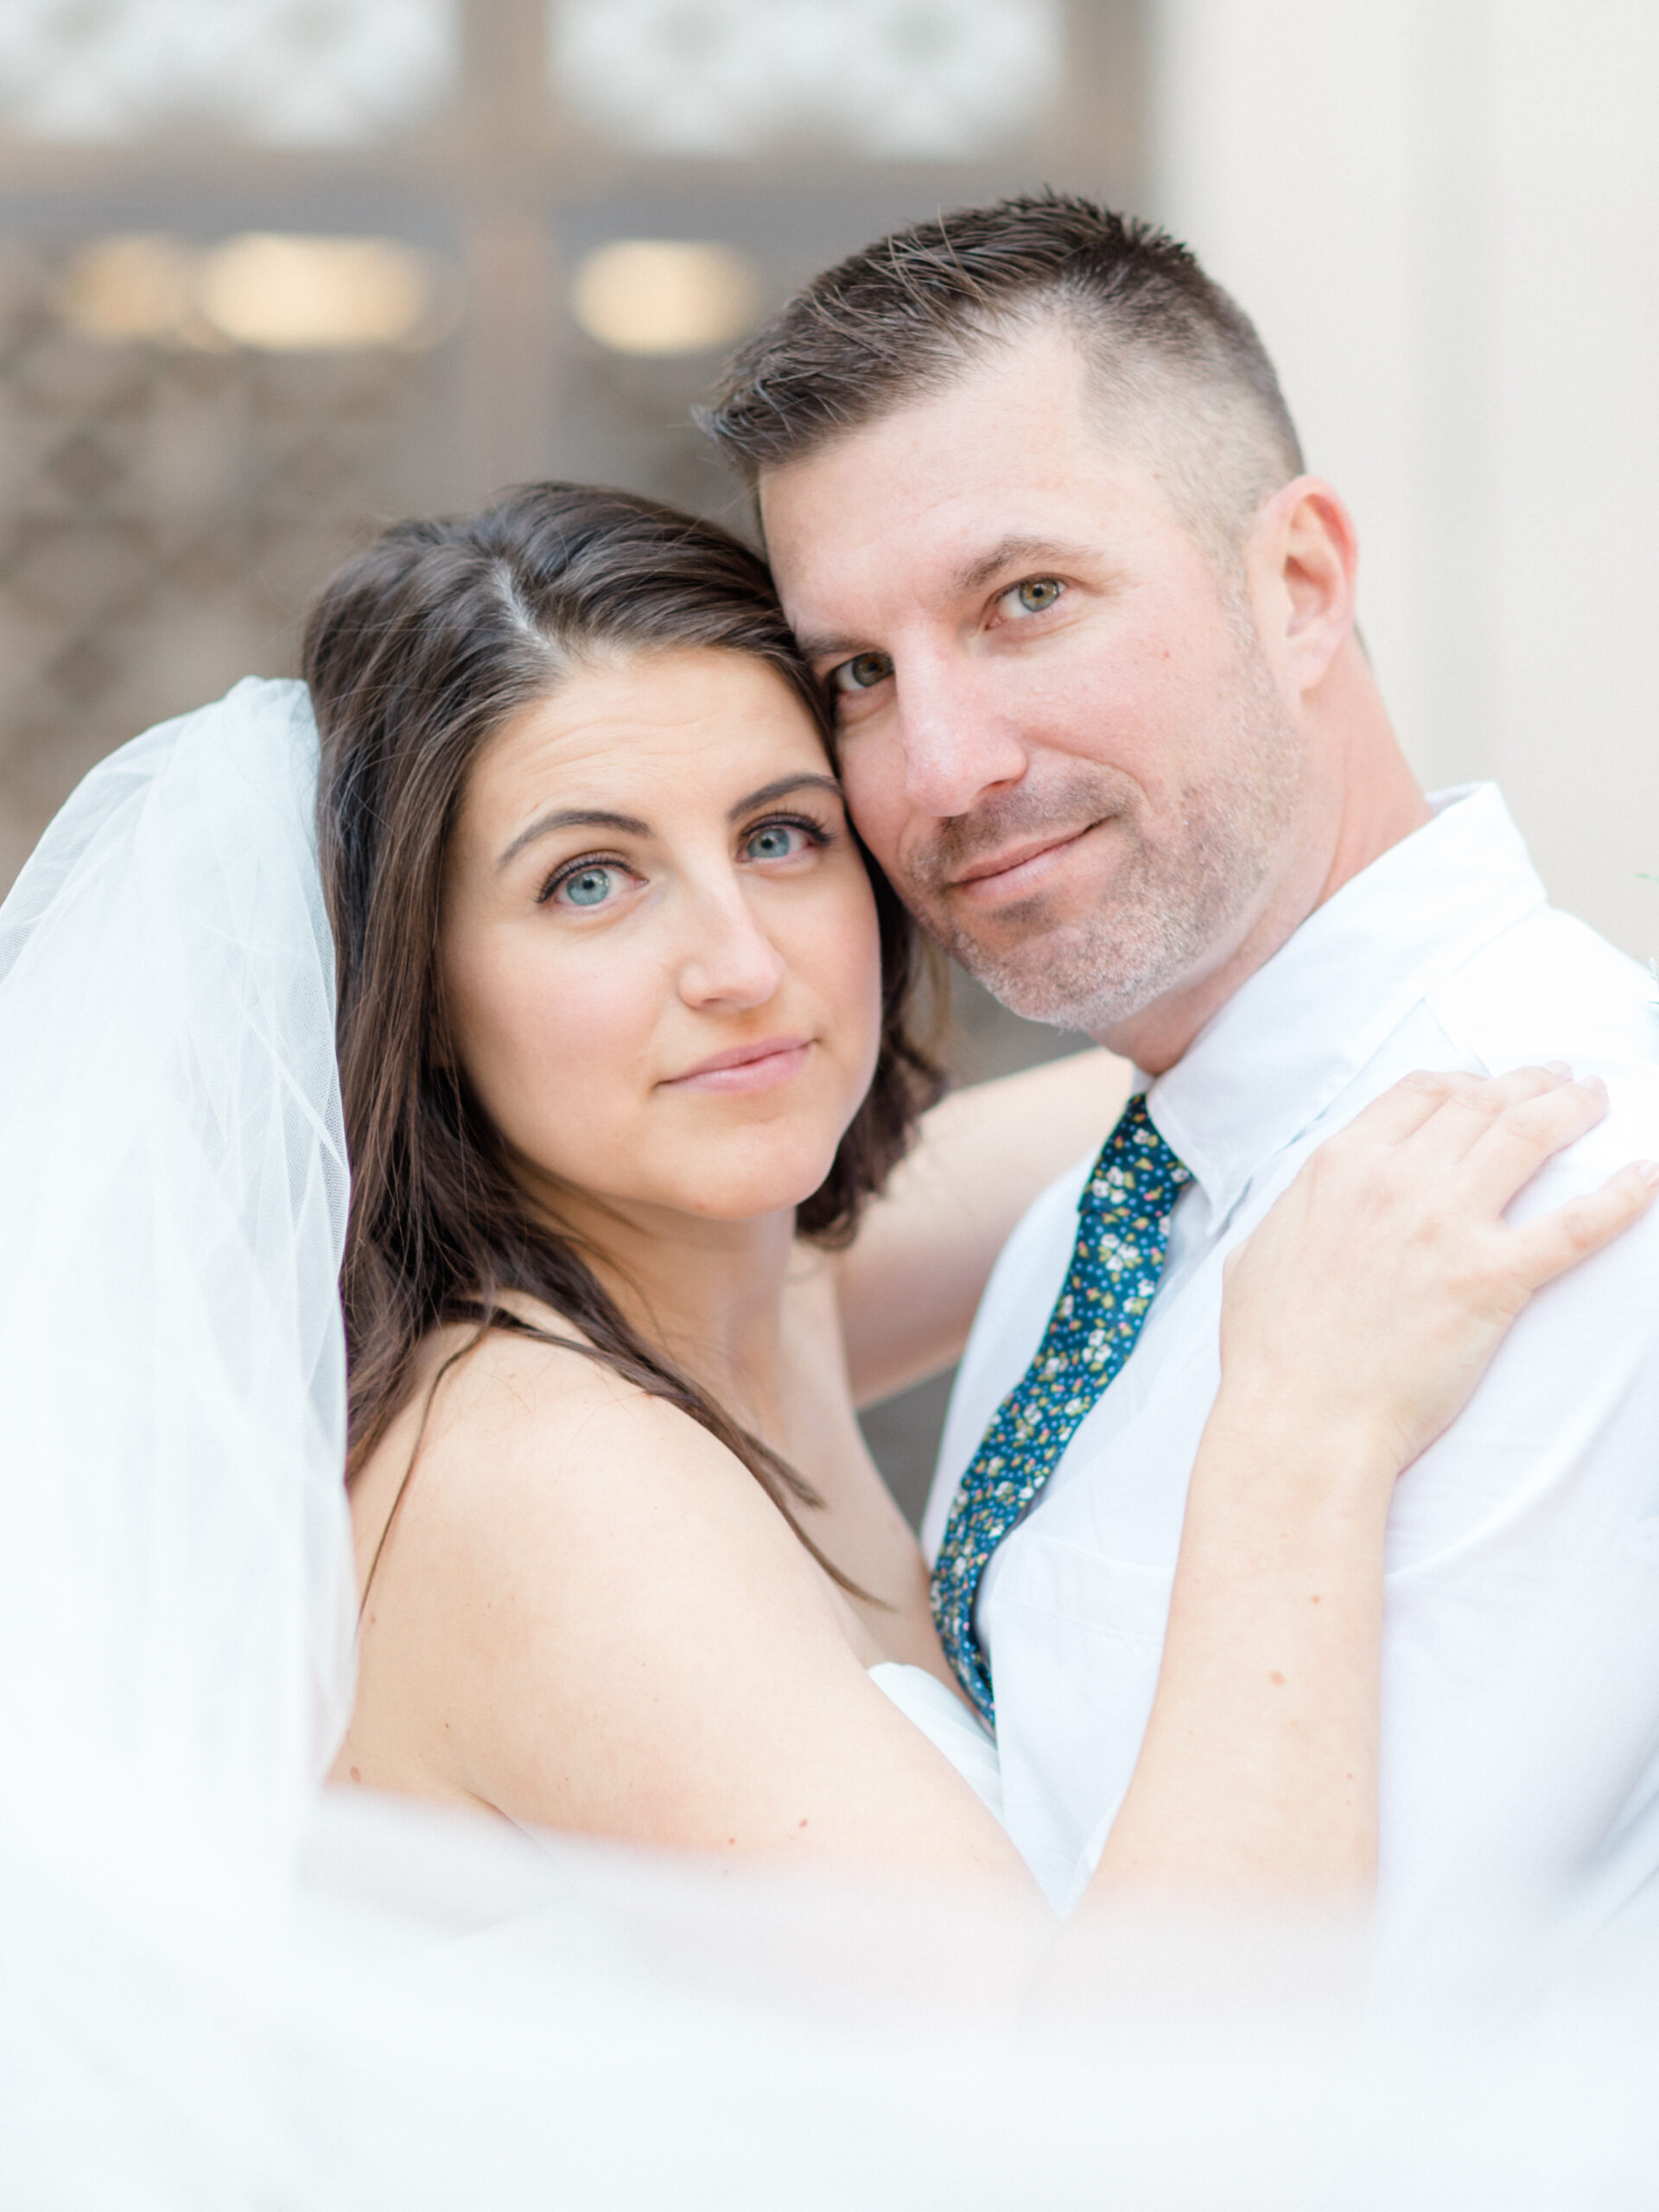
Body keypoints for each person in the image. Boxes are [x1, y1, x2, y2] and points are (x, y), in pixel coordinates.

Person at [312, 484, 1651, 1904]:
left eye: (780, 837)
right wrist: (1299, 1434)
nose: (738, 964)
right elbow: (1091, 2119)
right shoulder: (545, 1478)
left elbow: (1284, 1049)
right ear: (420, 987)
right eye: (590, 882)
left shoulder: (753, 1284)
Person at [698, 191, 1659, 1926]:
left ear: (1297, 586)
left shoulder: (1575, 1189)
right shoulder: (1110, 1205)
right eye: (854, 671)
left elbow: (1378, 2078)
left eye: (1025, 599)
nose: (939, 764)